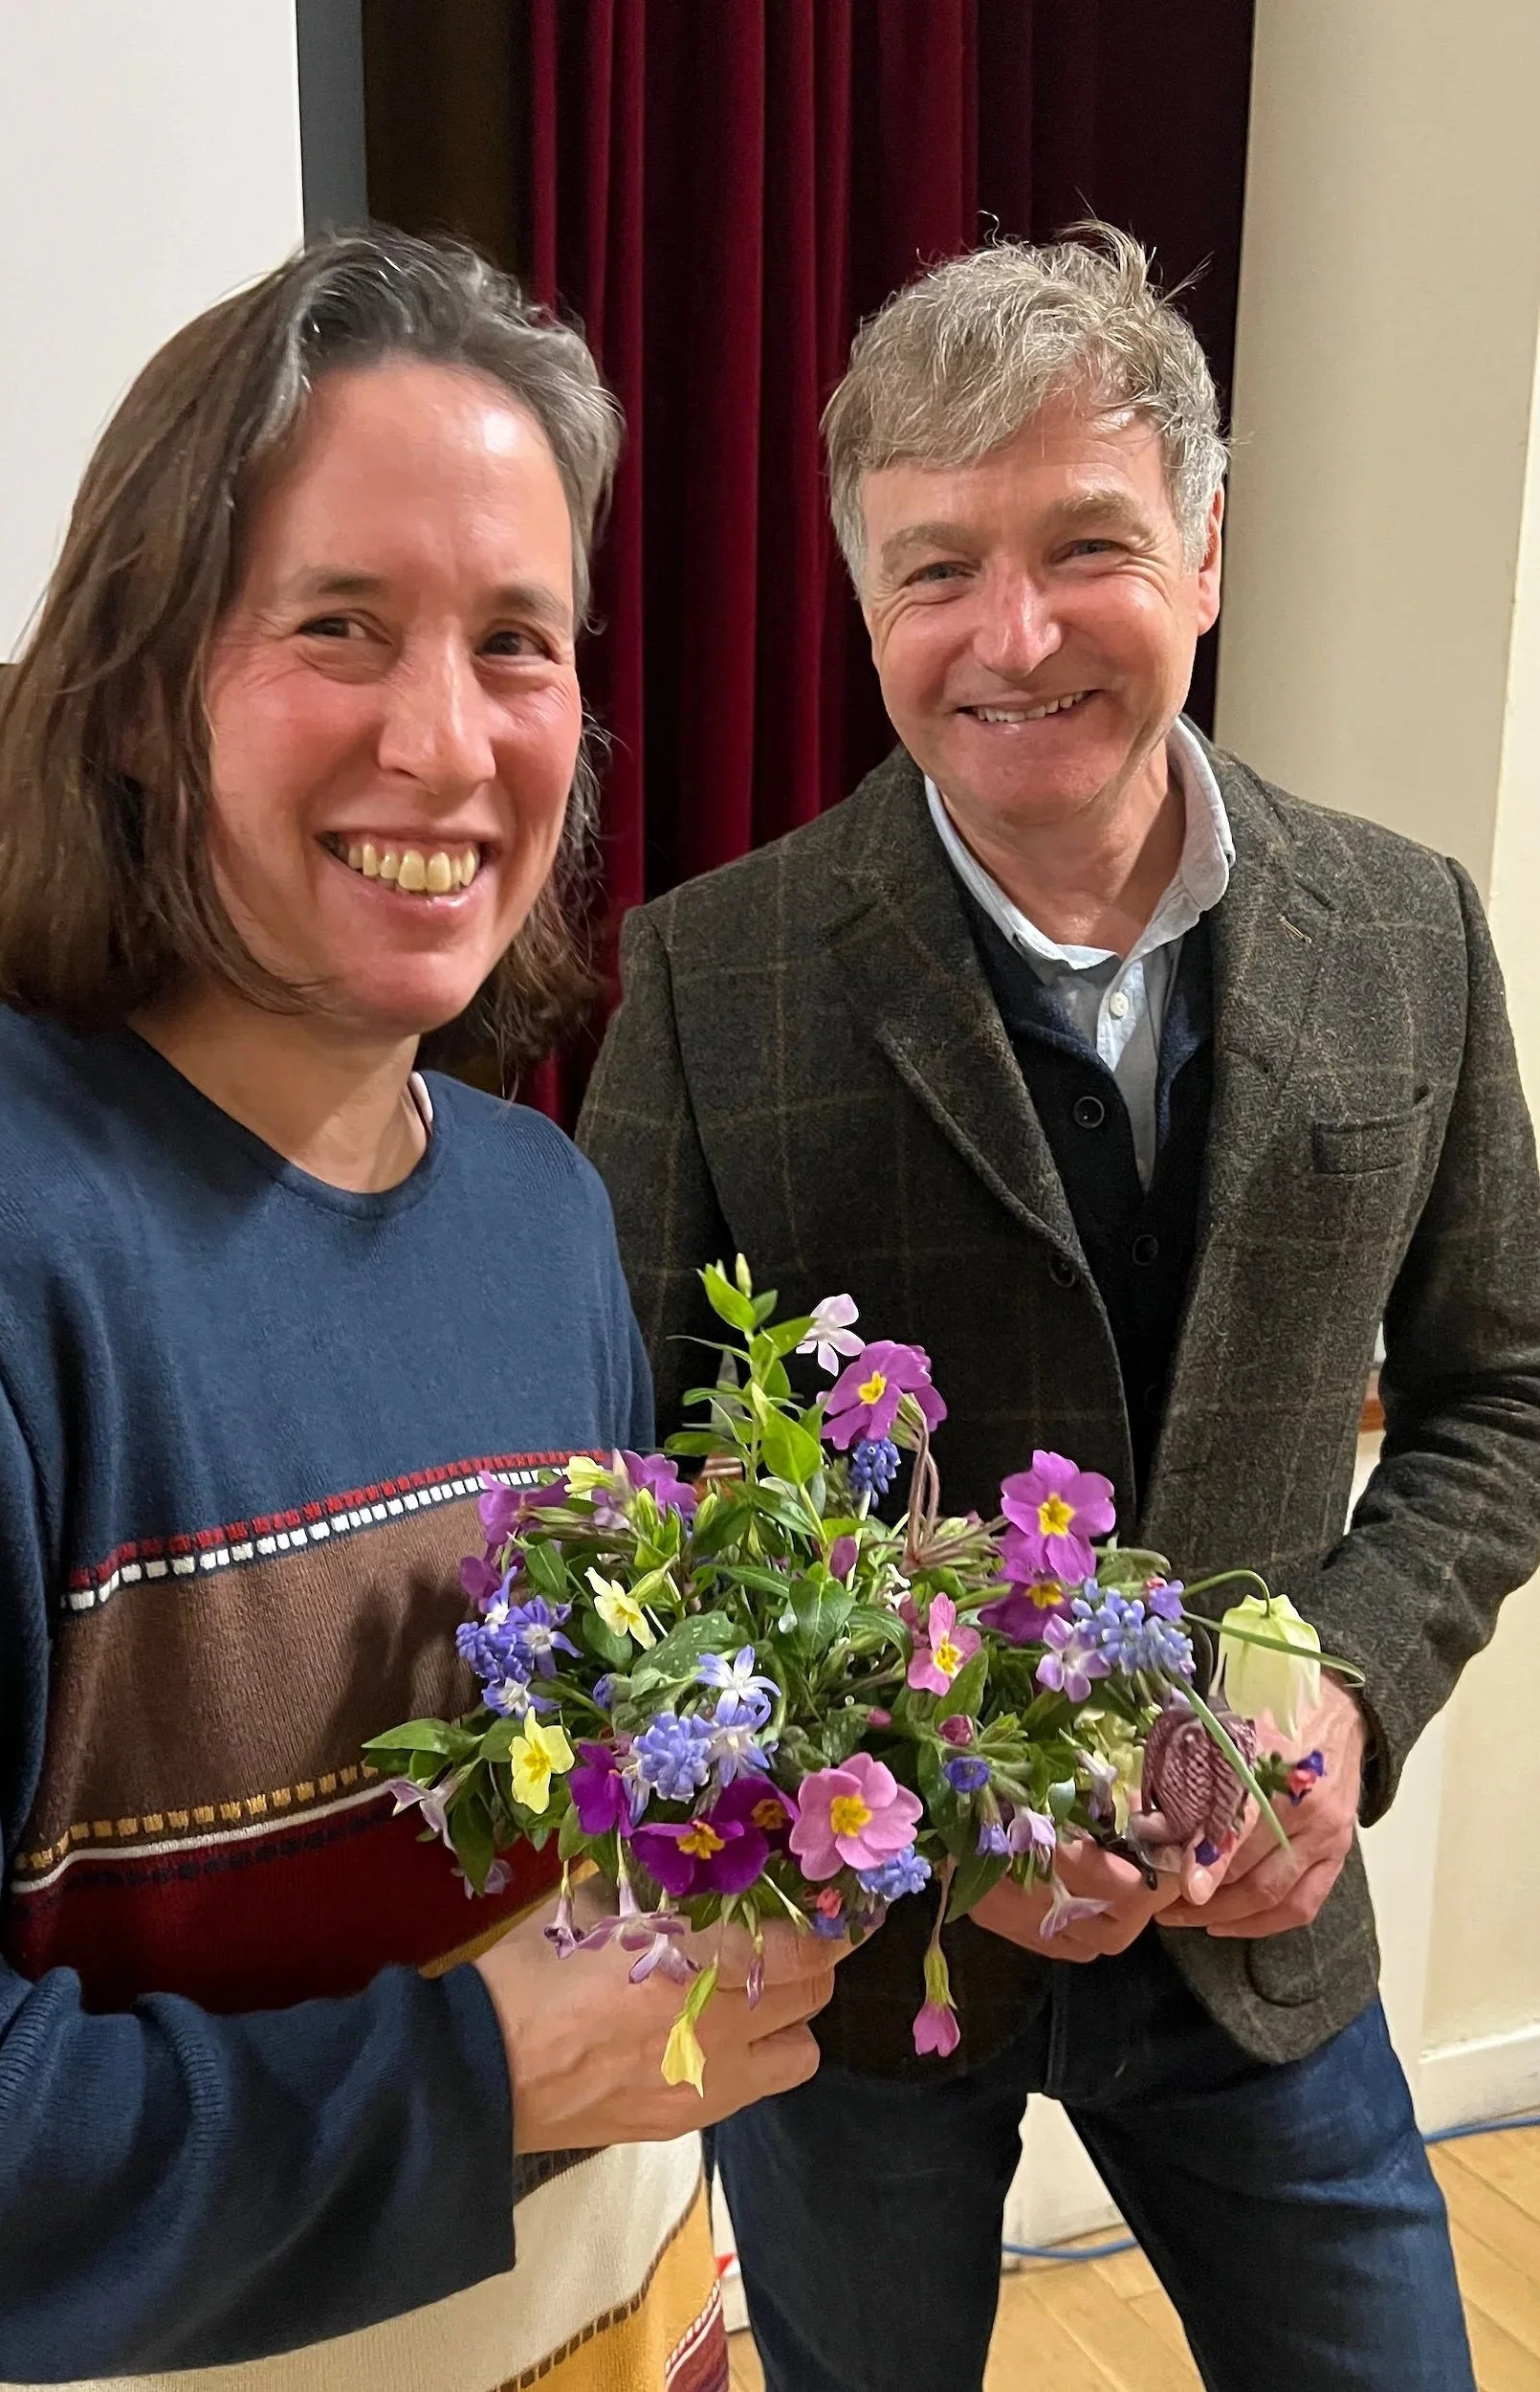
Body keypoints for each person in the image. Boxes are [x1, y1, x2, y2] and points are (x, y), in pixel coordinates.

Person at [0, 231, 839, 2392]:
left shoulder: (534, 1203)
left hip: (625, 2308)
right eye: (341, 625)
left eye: (520, 643)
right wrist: (467, 2080)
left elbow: (579, 1828)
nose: (446, 737)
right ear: (144, 687)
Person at [579, 226, 1540, 2391]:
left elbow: (1513, 1387)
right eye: (935, 568)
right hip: (871, 1948)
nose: (1011, 635)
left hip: (1265, 1941)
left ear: (1206, 544)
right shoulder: (711, 974)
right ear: (858, 596)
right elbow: (624, 1494)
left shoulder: (1406, 931)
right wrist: (922, 1782)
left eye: (1085, 543)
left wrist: (1358, 1697)